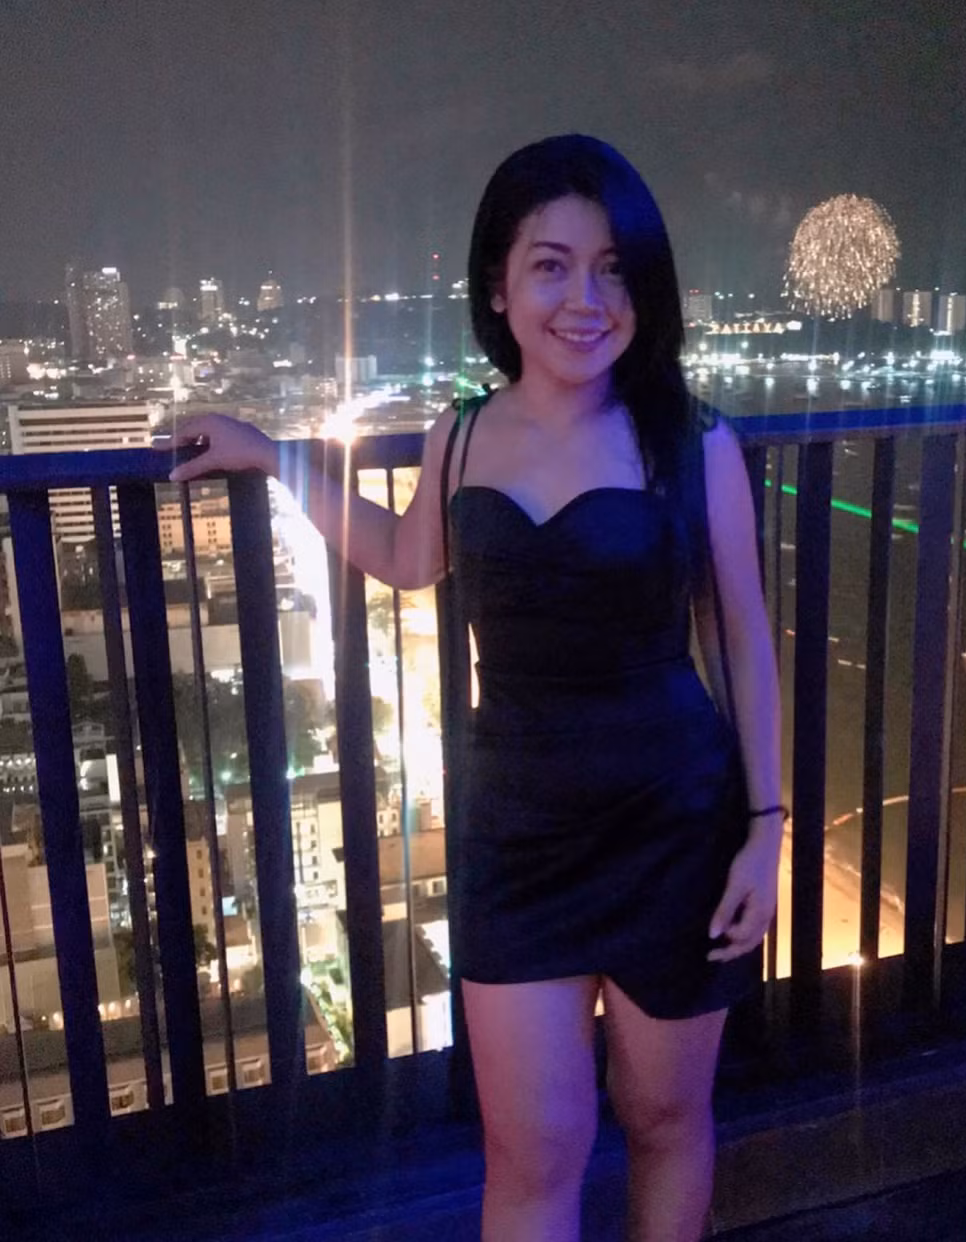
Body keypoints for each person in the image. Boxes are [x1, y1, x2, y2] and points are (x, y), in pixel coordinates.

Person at [166, 134, 782, 1242]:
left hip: (674, 827)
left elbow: (739, 637)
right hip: (517, 838)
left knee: (662, 1118)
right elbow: (408, 558)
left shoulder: (693, 442)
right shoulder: (459, 434)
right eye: (551, 266)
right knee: (531, 1153)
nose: (585, 299)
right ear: (497, 286)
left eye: (613, 269)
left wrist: (765, 833)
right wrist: (272, 454)